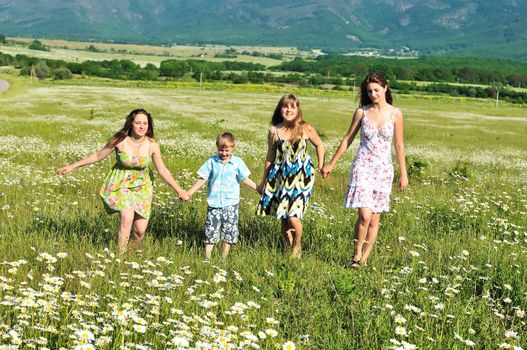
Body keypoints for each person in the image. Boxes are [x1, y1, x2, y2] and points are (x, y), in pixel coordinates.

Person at [57, 108, 189, 252]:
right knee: (127, 217)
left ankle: (130, 255)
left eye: (145, 123)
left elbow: (162, 170)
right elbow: (97, 155)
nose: (141, 126)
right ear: (131, 123)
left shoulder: (152, 145)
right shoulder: (120, 140)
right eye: (138, 122)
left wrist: (179, 190)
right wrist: (73, 166)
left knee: (140, 231)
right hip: (120, 185)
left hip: (142, 187)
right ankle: (120, 256)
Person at [321, 73, 408, 268]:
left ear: (385, 88)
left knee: (375, 219)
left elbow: (399, 145)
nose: (373, 94)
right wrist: (332, 163)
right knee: (364, 216)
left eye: (376, 90)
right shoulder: (361, 112)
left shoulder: (396, 114)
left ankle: (364, 259)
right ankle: (356, 254)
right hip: (362, 167)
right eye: (369, 91)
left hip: (384, 171)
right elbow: (347, 139)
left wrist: (404, 174)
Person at [256, 93, 325, 258]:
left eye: (292, 107)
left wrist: (321, 166)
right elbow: (270, 157)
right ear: (280, 109)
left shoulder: (305, 128)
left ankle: (297, 246)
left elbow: (320, 145)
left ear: (298, 109)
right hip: (280, 178)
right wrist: (264, 181)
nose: (288, 110)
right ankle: (286, 250)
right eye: (285, 106)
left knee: (293, 217)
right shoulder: (274, 130)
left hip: (302, 177)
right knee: (284, 219)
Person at [187, 132, 258, 260]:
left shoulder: (237, 163)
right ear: (217, 148)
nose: (224, 153)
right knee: (211, 230)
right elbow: (202, 178)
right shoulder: (211, 162)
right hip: (214, 203)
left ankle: (223, 258)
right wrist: (190, 192)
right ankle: (207, 257)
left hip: (231, 204)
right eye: (221, 150)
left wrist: (258, 188)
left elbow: (245, 178)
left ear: (233, 148)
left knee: (229, 231)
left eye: (227, 150)